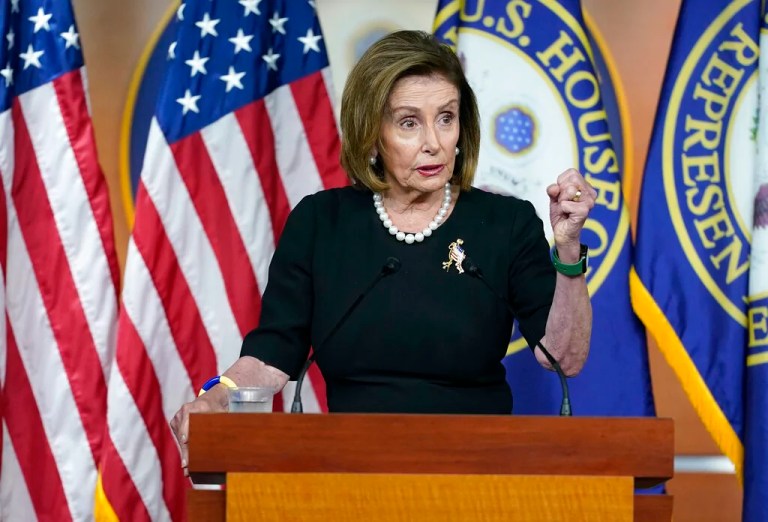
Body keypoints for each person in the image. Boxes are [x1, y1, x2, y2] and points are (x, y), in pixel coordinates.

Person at [171, 30, 595, 473]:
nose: (434, 142)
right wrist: (216, 396)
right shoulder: (321, 223)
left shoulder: (506, 223)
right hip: (352, 472)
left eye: (446, 118)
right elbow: (272, 355)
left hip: (478, 470)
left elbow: (563, 356)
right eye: (409, 123)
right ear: (372, 134)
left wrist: (568, 250)